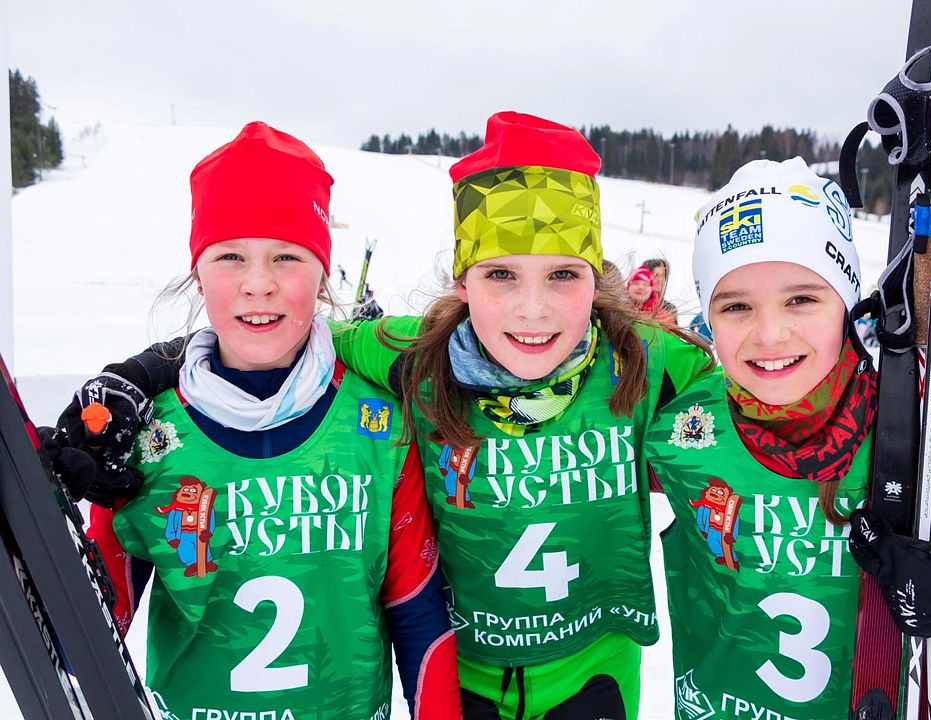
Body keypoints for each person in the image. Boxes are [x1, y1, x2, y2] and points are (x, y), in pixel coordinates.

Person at [55, 112, 716, 720]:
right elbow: (273, 339)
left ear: (596, 280)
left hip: (596, 673)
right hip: (470, 678)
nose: (533, 308)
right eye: (501, 275)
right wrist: (136, 377)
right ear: (463, 282)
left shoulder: (647, 363)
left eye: (563, 276)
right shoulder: (415, 361)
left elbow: (746, 384)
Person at [40, 122, 460, 720]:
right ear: (198, 273)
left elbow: (416, 611)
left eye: (287, 257)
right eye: (230, 256)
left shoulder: (377, 425)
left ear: (322, 274)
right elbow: (87, 631)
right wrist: (46, 518)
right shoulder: (148, 434)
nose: (258, 284)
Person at [645, 158, 931, 719]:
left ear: (849, 305)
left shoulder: (921, 435)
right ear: (708, 316)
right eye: (736, 306)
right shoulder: (678, 430)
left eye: (801, 299)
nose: (770, 334)